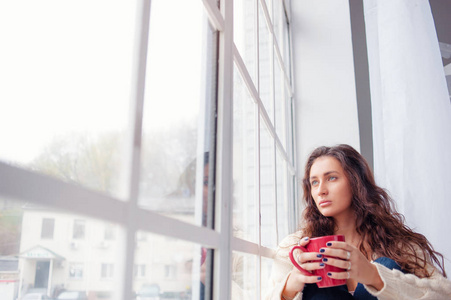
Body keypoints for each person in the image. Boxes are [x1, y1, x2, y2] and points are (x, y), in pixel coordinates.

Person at [265, 144, 451, 299]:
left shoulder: (397, 244)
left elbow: (445, 294)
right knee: (318, 283)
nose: (321, 190)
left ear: (356, 182)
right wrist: (290, 286)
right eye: (314, 182)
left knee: (385, 265)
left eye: (331, 178)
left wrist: (376, 277)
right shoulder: (296, 247)